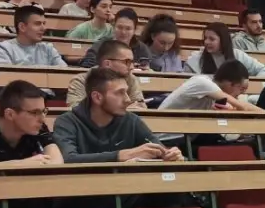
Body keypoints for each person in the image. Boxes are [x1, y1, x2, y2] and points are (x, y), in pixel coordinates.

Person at [53, 67, 183, 164]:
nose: (128, 100)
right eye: (120, 93)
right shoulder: (67, 122)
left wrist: (170, 155)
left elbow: (159, 149)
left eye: (127, 92)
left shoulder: (132, 120)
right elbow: (68, 159)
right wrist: (122, 155)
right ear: (97, 97)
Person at [65, 39, 147, 110]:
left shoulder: (130, 79)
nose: (132, 67)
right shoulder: (81, 81)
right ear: (107, 64)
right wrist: (122, 109)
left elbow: (140, 107)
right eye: (127, 62)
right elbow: (76, 111)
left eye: (132, 62)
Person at [158, 59, 258, 112]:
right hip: (166, 136)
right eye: (241, 88)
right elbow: (242, 106)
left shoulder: (216, 94)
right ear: (230, 84)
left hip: (187, 134)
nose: (242, 93)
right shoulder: (203, 83)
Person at [0, 5, 68, 67]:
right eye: (37, 24)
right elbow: (4, 78)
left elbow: (65, 75)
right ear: (22, 27)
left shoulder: (48, 49)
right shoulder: (2, 49)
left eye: (44, 23)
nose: (44, 28)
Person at [187, 22, 265, 78]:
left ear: (223, 40)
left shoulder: (237, 55)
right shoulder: (196, 58)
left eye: (212, 39)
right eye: (205, 38)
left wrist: (251, 87)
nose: (206, 42)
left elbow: (264, 70)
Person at [80, 9, 150, 68]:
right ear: (113, 26)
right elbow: (87, 65)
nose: (123, 32)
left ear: (135, 30)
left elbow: (148, 70)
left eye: (128, 29)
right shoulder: (102, 44)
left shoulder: (142, 49)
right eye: (119, 27)